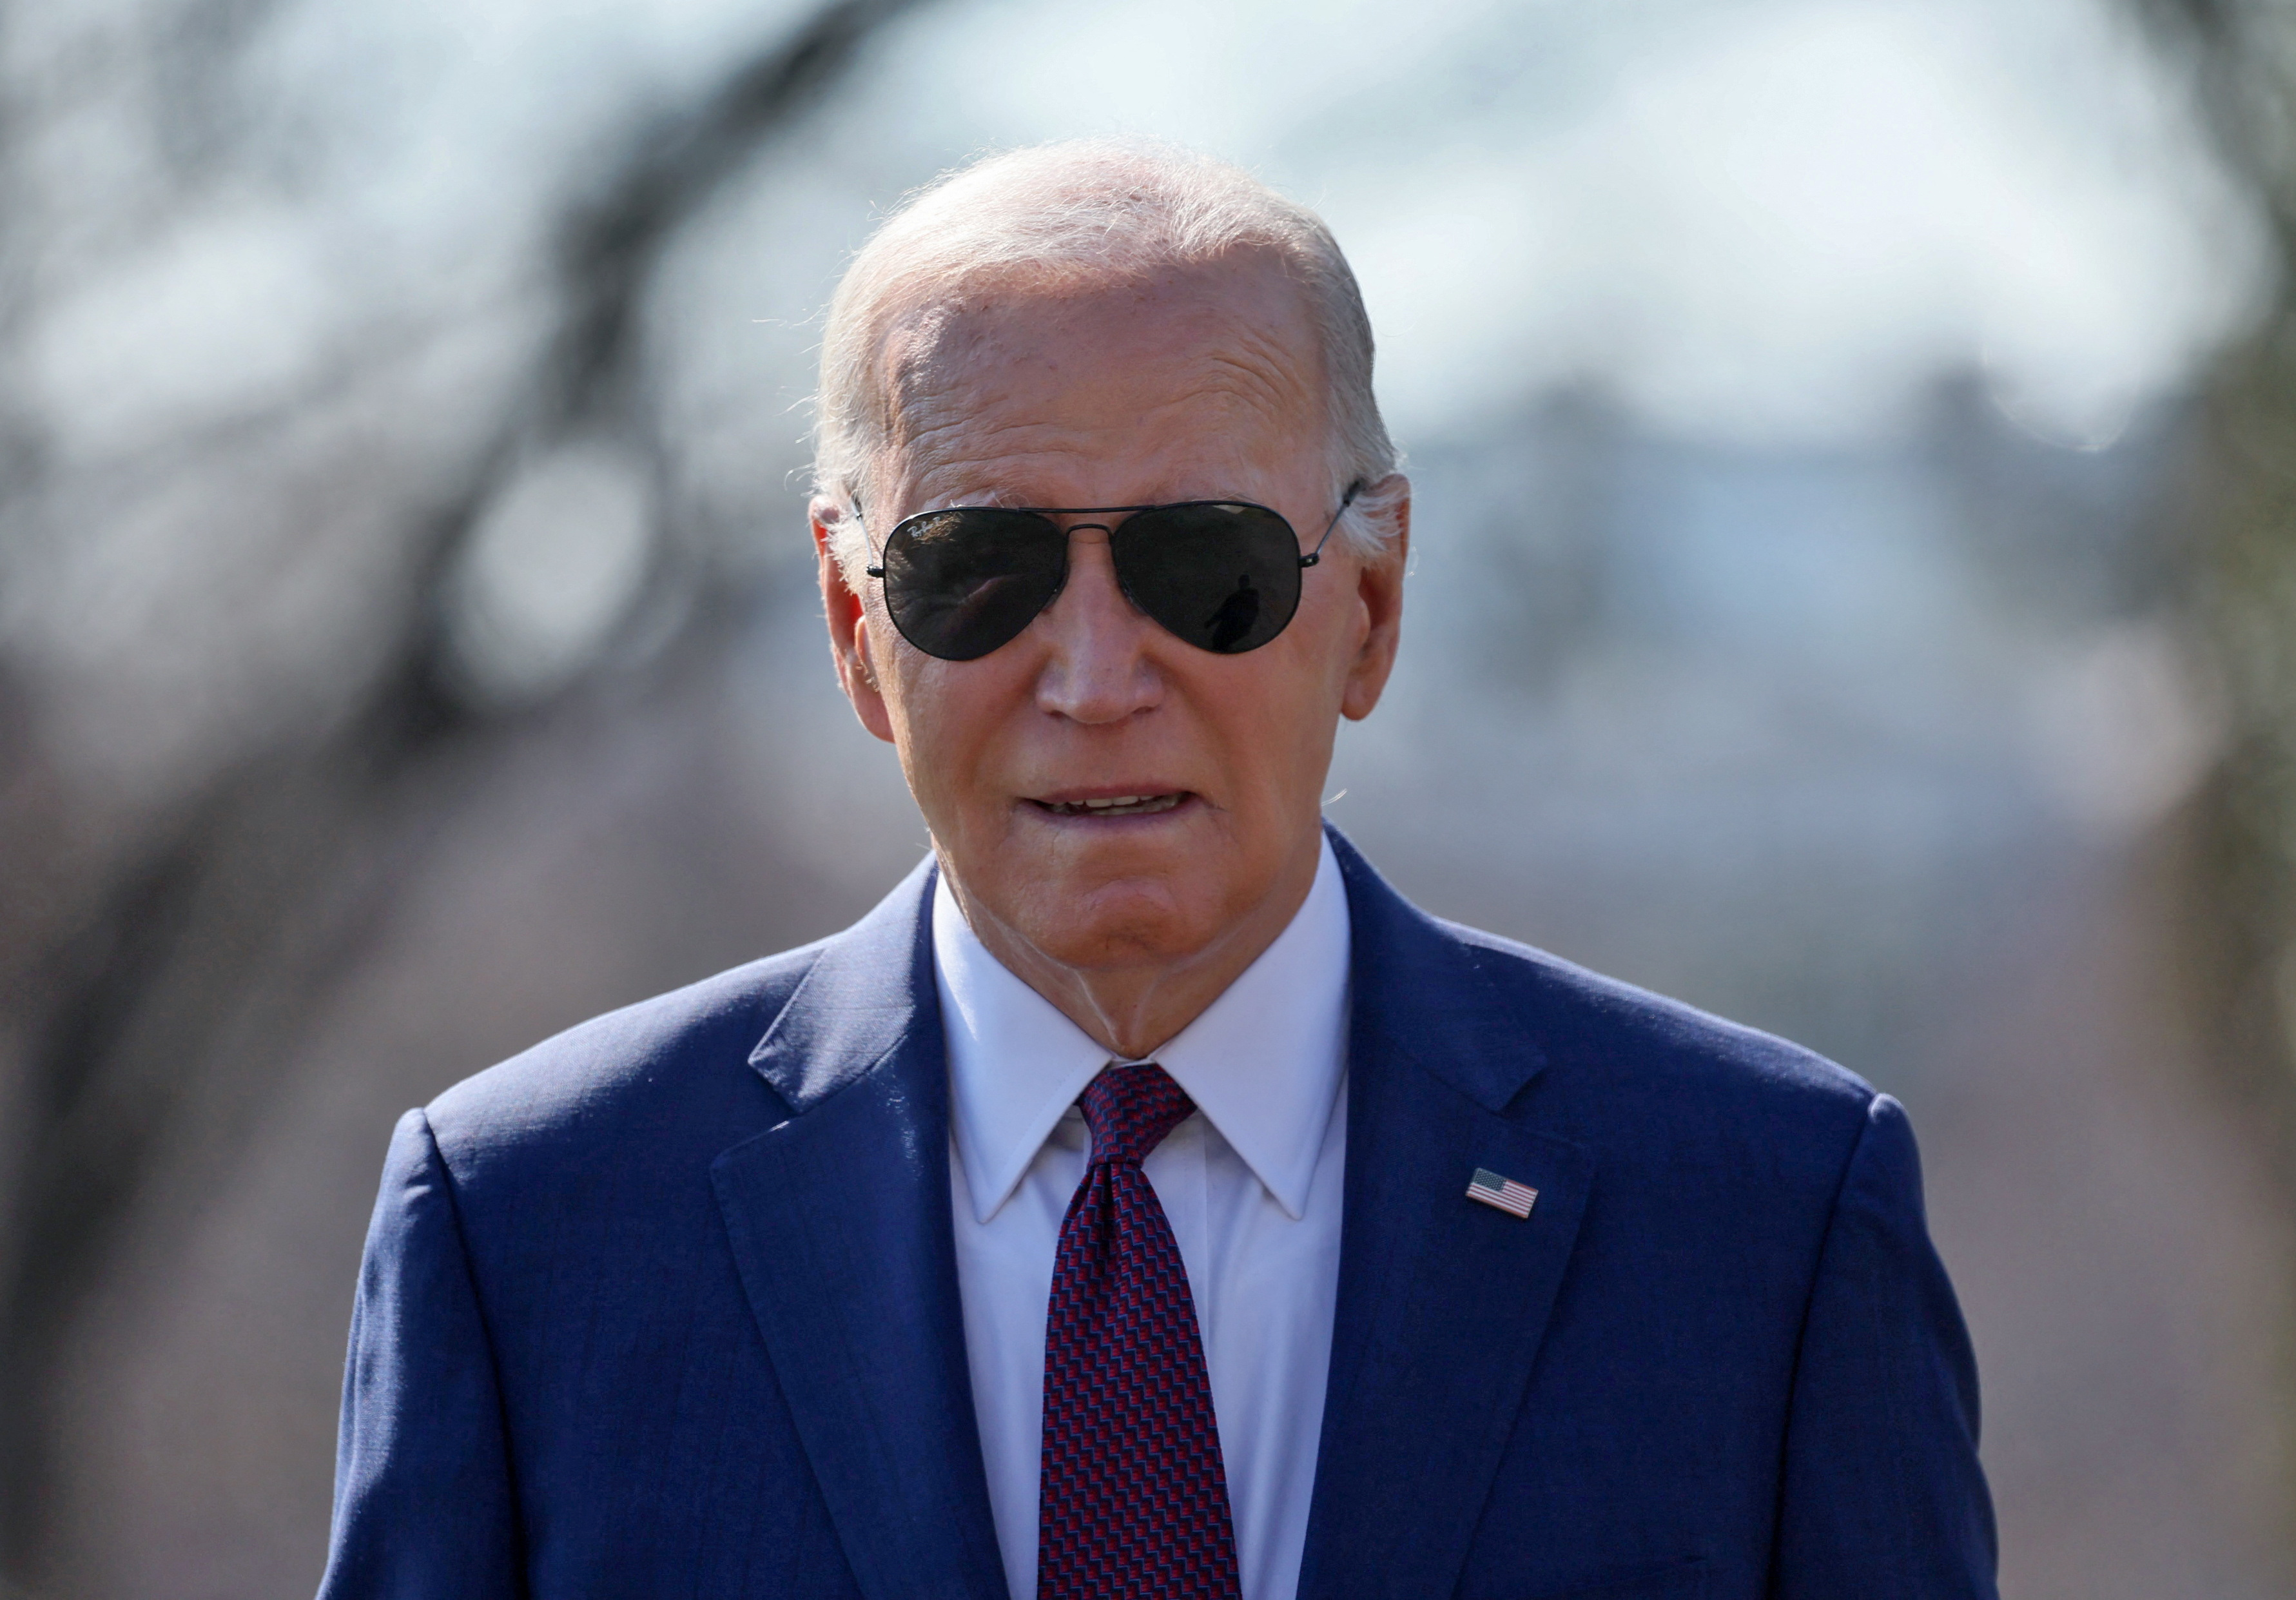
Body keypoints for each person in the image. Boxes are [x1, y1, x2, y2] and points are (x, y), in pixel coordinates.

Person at [317, 141, 1998, 1600]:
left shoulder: (1765, 1229)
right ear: (853, 626)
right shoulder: (529, 1237)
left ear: (1374, 605)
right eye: (980, 567)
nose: (1097, 675)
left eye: (1210, 568)